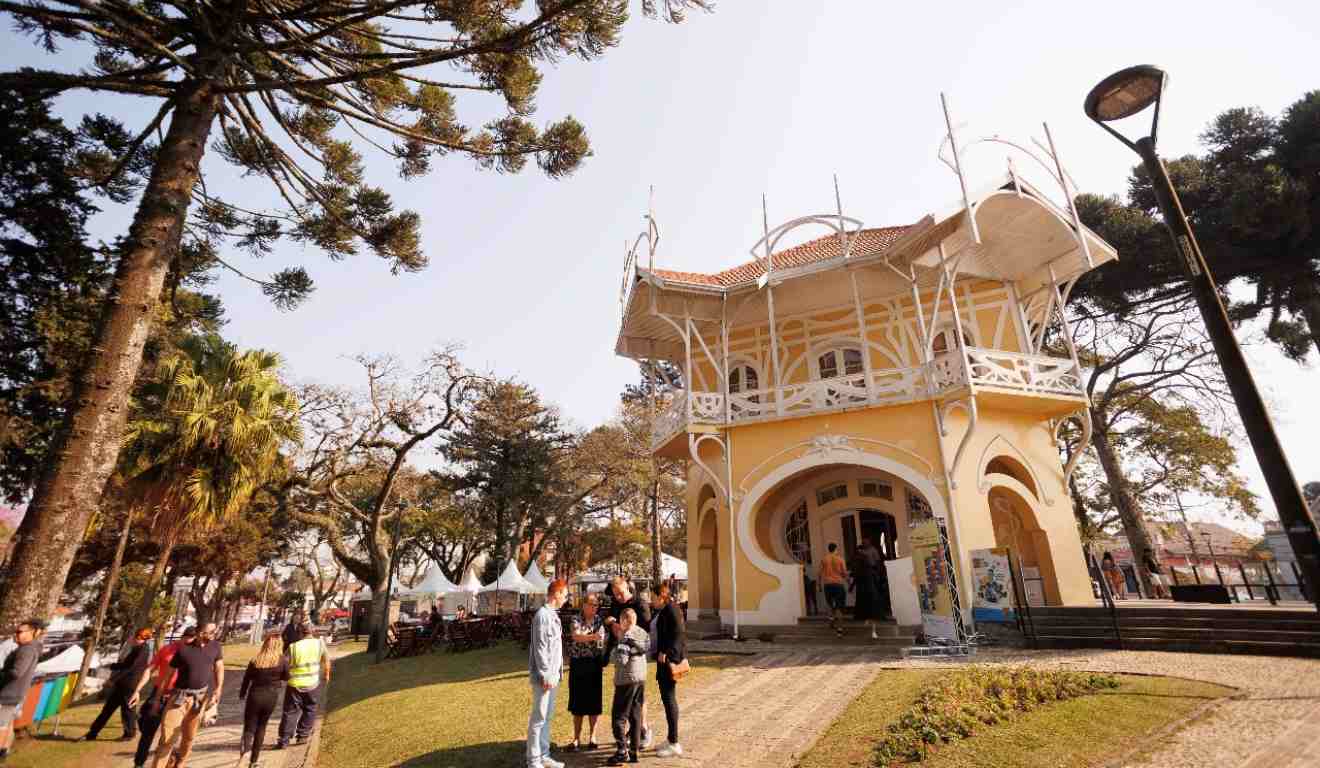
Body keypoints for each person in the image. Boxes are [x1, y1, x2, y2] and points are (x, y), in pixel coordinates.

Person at [150, 622, 223, 768]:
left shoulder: (216, 647)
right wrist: (157, 700)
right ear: (201, 633)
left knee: (189, 738)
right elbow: (167, 676)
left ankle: (180, 764)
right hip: (178, 699)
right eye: (212, 632)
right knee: (167, 740)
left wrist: (218, 689)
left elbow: (219, 667)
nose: (215, 634)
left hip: (200, 700)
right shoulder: (184, 650)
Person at [128, 627, 195, 768]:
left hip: (179, 697)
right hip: (159, 693)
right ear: (182, 637)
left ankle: (168, 763)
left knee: (170, 736)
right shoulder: (167, 650)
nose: (189, 640)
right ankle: (138, 763)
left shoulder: (196, 653)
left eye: (192, 638)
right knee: (147, 730)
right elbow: (149, 669)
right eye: (187, 637)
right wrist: (137, 690)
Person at [604, 576, 652, 749]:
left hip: (636, 657)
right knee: (628, 699)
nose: (618, 597)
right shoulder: (616, 605)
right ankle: (634, 733)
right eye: (615, 594)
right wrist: (610, 623)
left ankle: (644, 729)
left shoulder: (640, 604)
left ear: (627, 588)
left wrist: (621, 628)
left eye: (620, 593)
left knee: (638, 698)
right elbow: (611, 623)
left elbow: (646, 630)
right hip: (622, 655)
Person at [527, 578, 569, 768]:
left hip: (553, 676)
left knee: (547, 717)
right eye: (565, 594)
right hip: (545, 677)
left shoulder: (552, 614)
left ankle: (544, 755)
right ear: (556, 593)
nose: (566, 598)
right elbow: (541, 648)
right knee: (539, 718)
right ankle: (534, 760)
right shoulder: (543, 616)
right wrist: (545, 674)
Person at [85, 627, 154, 742]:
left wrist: (113, 678)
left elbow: (130, 668)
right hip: (122, 683)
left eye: (133, 636)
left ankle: (129, 734)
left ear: (138, 637)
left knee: (128, 710)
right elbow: (125, 665)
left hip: (130, 684)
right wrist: (113, 666)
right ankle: (93, 732)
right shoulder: (137, 649)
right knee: (108, 709)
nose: (130, 639)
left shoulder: (142, 650)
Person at [274, 620, 330, 750]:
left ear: (300, 633)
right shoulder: (320, 644)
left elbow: (283, 664)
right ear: (313, 632)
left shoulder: (293, 647)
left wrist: (281, 679)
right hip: (312, 683)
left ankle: (284, 740)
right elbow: (326, 660)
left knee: (290, 712)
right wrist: (326, 675)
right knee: (310, 709)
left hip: (294, 684)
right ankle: (303, 736)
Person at [236, 632, 289, 768]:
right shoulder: (282, 660)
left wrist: (242, 694)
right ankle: (254, 761)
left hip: (254, 696)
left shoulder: (256, 660)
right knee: (262, 727)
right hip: (271, 697)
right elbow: (286, 677)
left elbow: (246, 679)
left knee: (249, 728)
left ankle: (245, 753)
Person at [606, 608, 649, 767]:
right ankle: (634, 750)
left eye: (620, 621)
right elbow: (647, 647)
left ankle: (621, 751)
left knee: (619, 716)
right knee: (636, 715)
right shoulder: (642, 633)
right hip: (641, 678)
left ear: (624, 621)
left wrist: (614, 650)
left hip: (626, 680)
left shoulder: (625, 638)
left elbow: (620, 660)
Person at [0, 618, 45, 761]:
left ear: (33, 633)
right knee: (7, 724)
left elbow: (16, 672)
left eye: (20, 632)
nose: (16, 634)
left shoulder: (26, 650)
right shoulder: (31, 648)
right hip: (15, 693)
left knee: (1, 725)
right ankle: (4, 751)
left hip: (8, 693)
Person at [566, 593, 605, 752]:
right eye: (592, 604)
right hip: (578, 664)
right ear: (584, 605)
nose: (595, 607)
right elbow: (576, 636)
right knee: (578, 702)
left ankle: (593, 737)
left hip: (594, 664)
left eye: (596, 605)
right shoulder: (576, 619)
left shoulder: (598, 620)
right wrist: (594, 637)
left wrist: (601, 642)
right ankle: (576, 738)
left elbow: (602, 639)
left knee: (594, 703)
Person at [651, 584, 686, 758]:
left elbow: (679, 634)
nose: (651, 600)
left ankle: (674, 743)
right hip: (663, 662)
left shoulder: (672, 609)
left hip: (668, 662)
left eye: (653, 597)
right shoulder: (666, 609)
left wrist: (667, 652)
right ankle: (671, 738)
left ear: (661, 597)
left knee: (670, 700)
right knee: (667, 699)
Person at [851, 537, 890, 640]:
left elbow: (877, 562)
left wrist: (878, 574)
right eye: (863, 542)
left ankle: (873, 622)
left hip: (870, 579)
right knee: (869, 603)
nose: (864, 543)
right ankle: (868, 621)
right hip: (866, 583)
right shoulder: (861, 557)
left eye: (866, 542)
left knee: (872, 602)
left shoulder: (871, 552)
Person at [819, 543, 849, 636]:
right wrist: (848, 582)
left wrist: (819, 585)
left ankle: (831, 622)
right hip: (838, 584)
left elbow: (819, 573)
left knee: (830, 605)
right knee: (839, 607)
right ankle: (839, 630)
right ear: (836, 549)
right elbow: (844, 573)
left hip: (827, 585)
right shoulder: (840, 559)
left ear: (829, 549)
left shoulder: (824, 559)